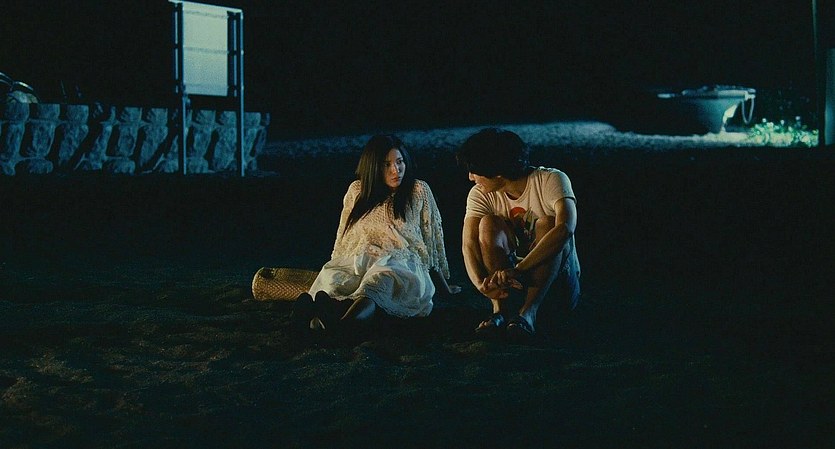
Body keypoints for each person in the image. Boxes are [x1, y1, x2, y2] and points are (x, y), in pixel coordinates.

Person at [294, 134, 458, 333]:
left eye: (400, 162)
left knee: (376, 284)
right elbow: (343, 238)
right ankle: (319, 318)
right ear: (373, 167)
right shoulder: (357, 191)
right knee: (334, 281)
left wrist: (444, 287)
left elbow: (430, 243)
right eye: (386, 165)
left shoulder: (418, 190)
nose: (396, 170)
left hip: (399, 264)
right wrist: (336, 266)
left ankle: (342, 329)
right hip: (359, 260)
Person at [456, 128, 580, 341]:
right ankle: (500, 310)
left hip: (556, 285)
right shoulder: (481, 194)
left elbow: (566, 229)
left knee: (549, 223)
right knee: (487, 224)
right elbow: (468, 243)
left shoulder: (551, 179)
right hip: (511, 285)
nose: (470, 177)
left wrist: (518, 269)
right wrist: (481, 284)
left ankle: (528, 313)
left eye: (475, 171)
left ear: (498, 173)